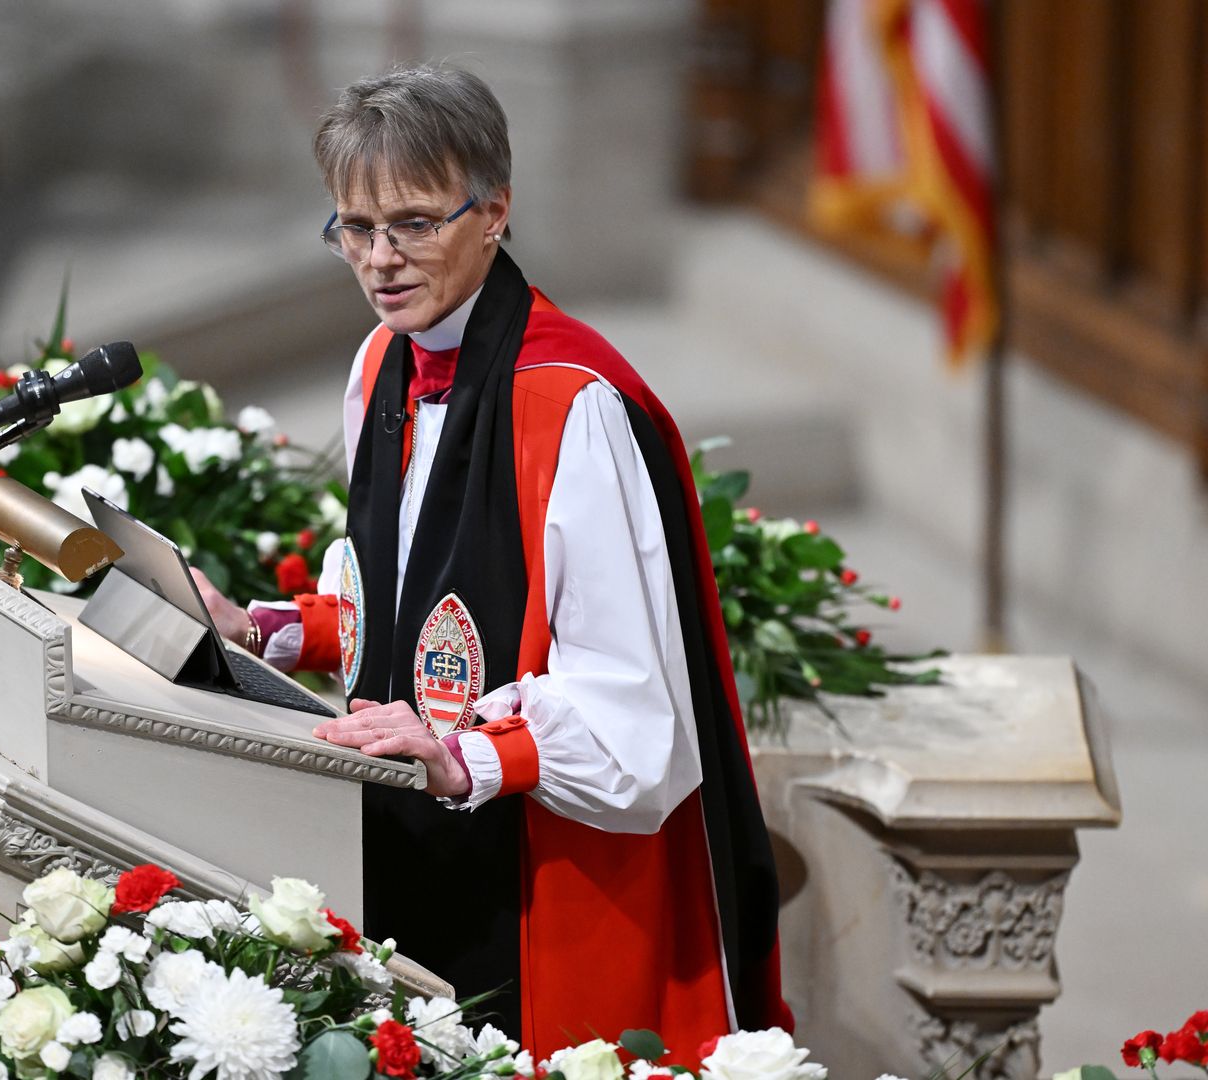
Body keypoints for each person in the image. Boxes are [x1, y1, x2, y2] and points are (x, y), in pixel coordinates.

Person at [190, 63, 791, 1053]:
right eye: (355, 228)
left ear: (495, 212)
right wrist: (262, 628)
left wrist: (461, 755)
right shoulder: (383, 362)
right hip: (403, 850)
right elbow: (412, 611)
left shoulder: (574, 409)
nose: (380, 260)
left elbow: (637, 726)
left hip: (551, 890)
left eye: (415, 224)